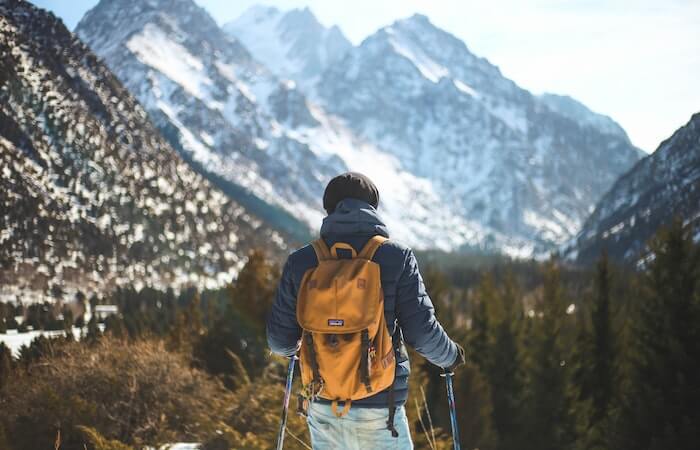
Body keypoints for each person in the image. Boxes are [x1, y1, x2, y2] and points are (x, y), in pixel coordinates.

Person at [267, 172, 465, 450]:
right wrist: (451, 356)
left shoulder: (302, 262)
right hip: (380, 408)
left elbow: (279, 342)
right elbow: (422, 331)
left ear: (329, 209)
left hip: (323, 404)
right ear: (372, 207)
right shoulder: (396, 257)